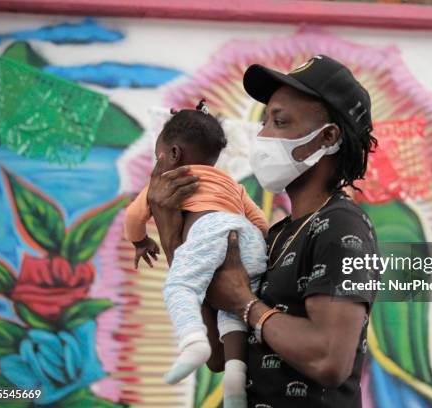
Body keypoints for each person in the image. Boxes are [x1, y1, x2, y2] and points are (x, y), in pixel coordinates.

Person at [148, 55, 379, 407]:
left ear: (328, 137)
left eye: (279, 121)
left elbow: (330, 358)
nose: (263, 136)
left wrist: (246, 304)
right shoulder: (278, 234)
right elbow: (218, 356)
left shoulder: (342, 227)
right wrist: (170, 230)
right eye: (264, 122)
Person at [124, 101, 268, 407]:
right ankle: (235, 377)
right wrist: (253, 246)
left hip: (209, 232)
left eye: (157, 156)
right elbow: (260, 223)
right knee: (235, 308)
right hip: (247, 237)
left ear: (173, 155)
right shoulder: (231, 183)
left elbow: (134, 218)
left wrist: (139, 242)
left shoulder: (164, 182)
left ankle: (193, 342)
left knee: (181, 286)